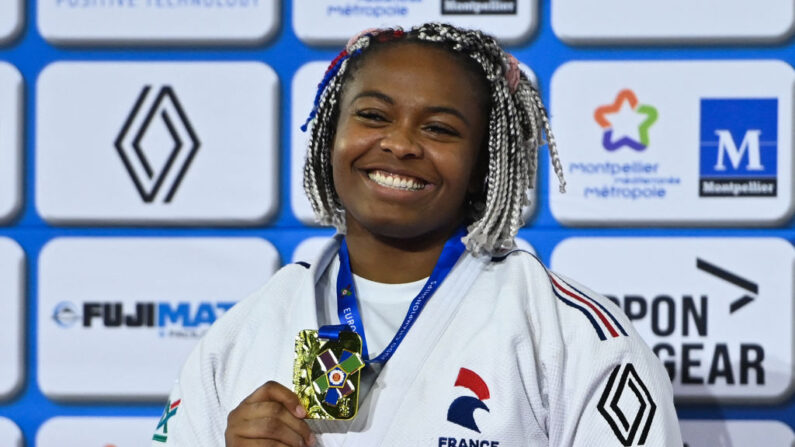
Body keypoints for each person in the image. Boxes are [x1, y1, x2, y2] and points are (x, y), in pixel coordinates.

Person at [152, 23, 682, 447]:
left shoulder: (572, 335)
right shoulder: (241, 335)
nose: (400, 144)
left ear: (482, 163)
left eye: (439, 129)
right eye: (373, 115)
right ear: (330, 134)